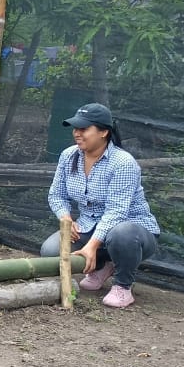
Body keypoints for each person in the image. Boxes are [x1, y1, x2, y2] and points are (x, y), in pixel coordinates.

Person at [39, 102, 160, 309]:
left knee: (121, 234)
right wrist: (66, 219)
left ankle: (123, 285)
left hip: (132, 231)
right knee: (50, 251)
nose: (77, 133)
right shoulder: (69, 156)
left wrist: (92, 246)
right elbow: (57, 195)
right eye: (75, 128)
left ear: (104, 132)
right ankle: (104, 265)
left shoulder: (123, 163)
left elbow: (116, 212)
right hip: (89, 224)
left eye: (84, 129)